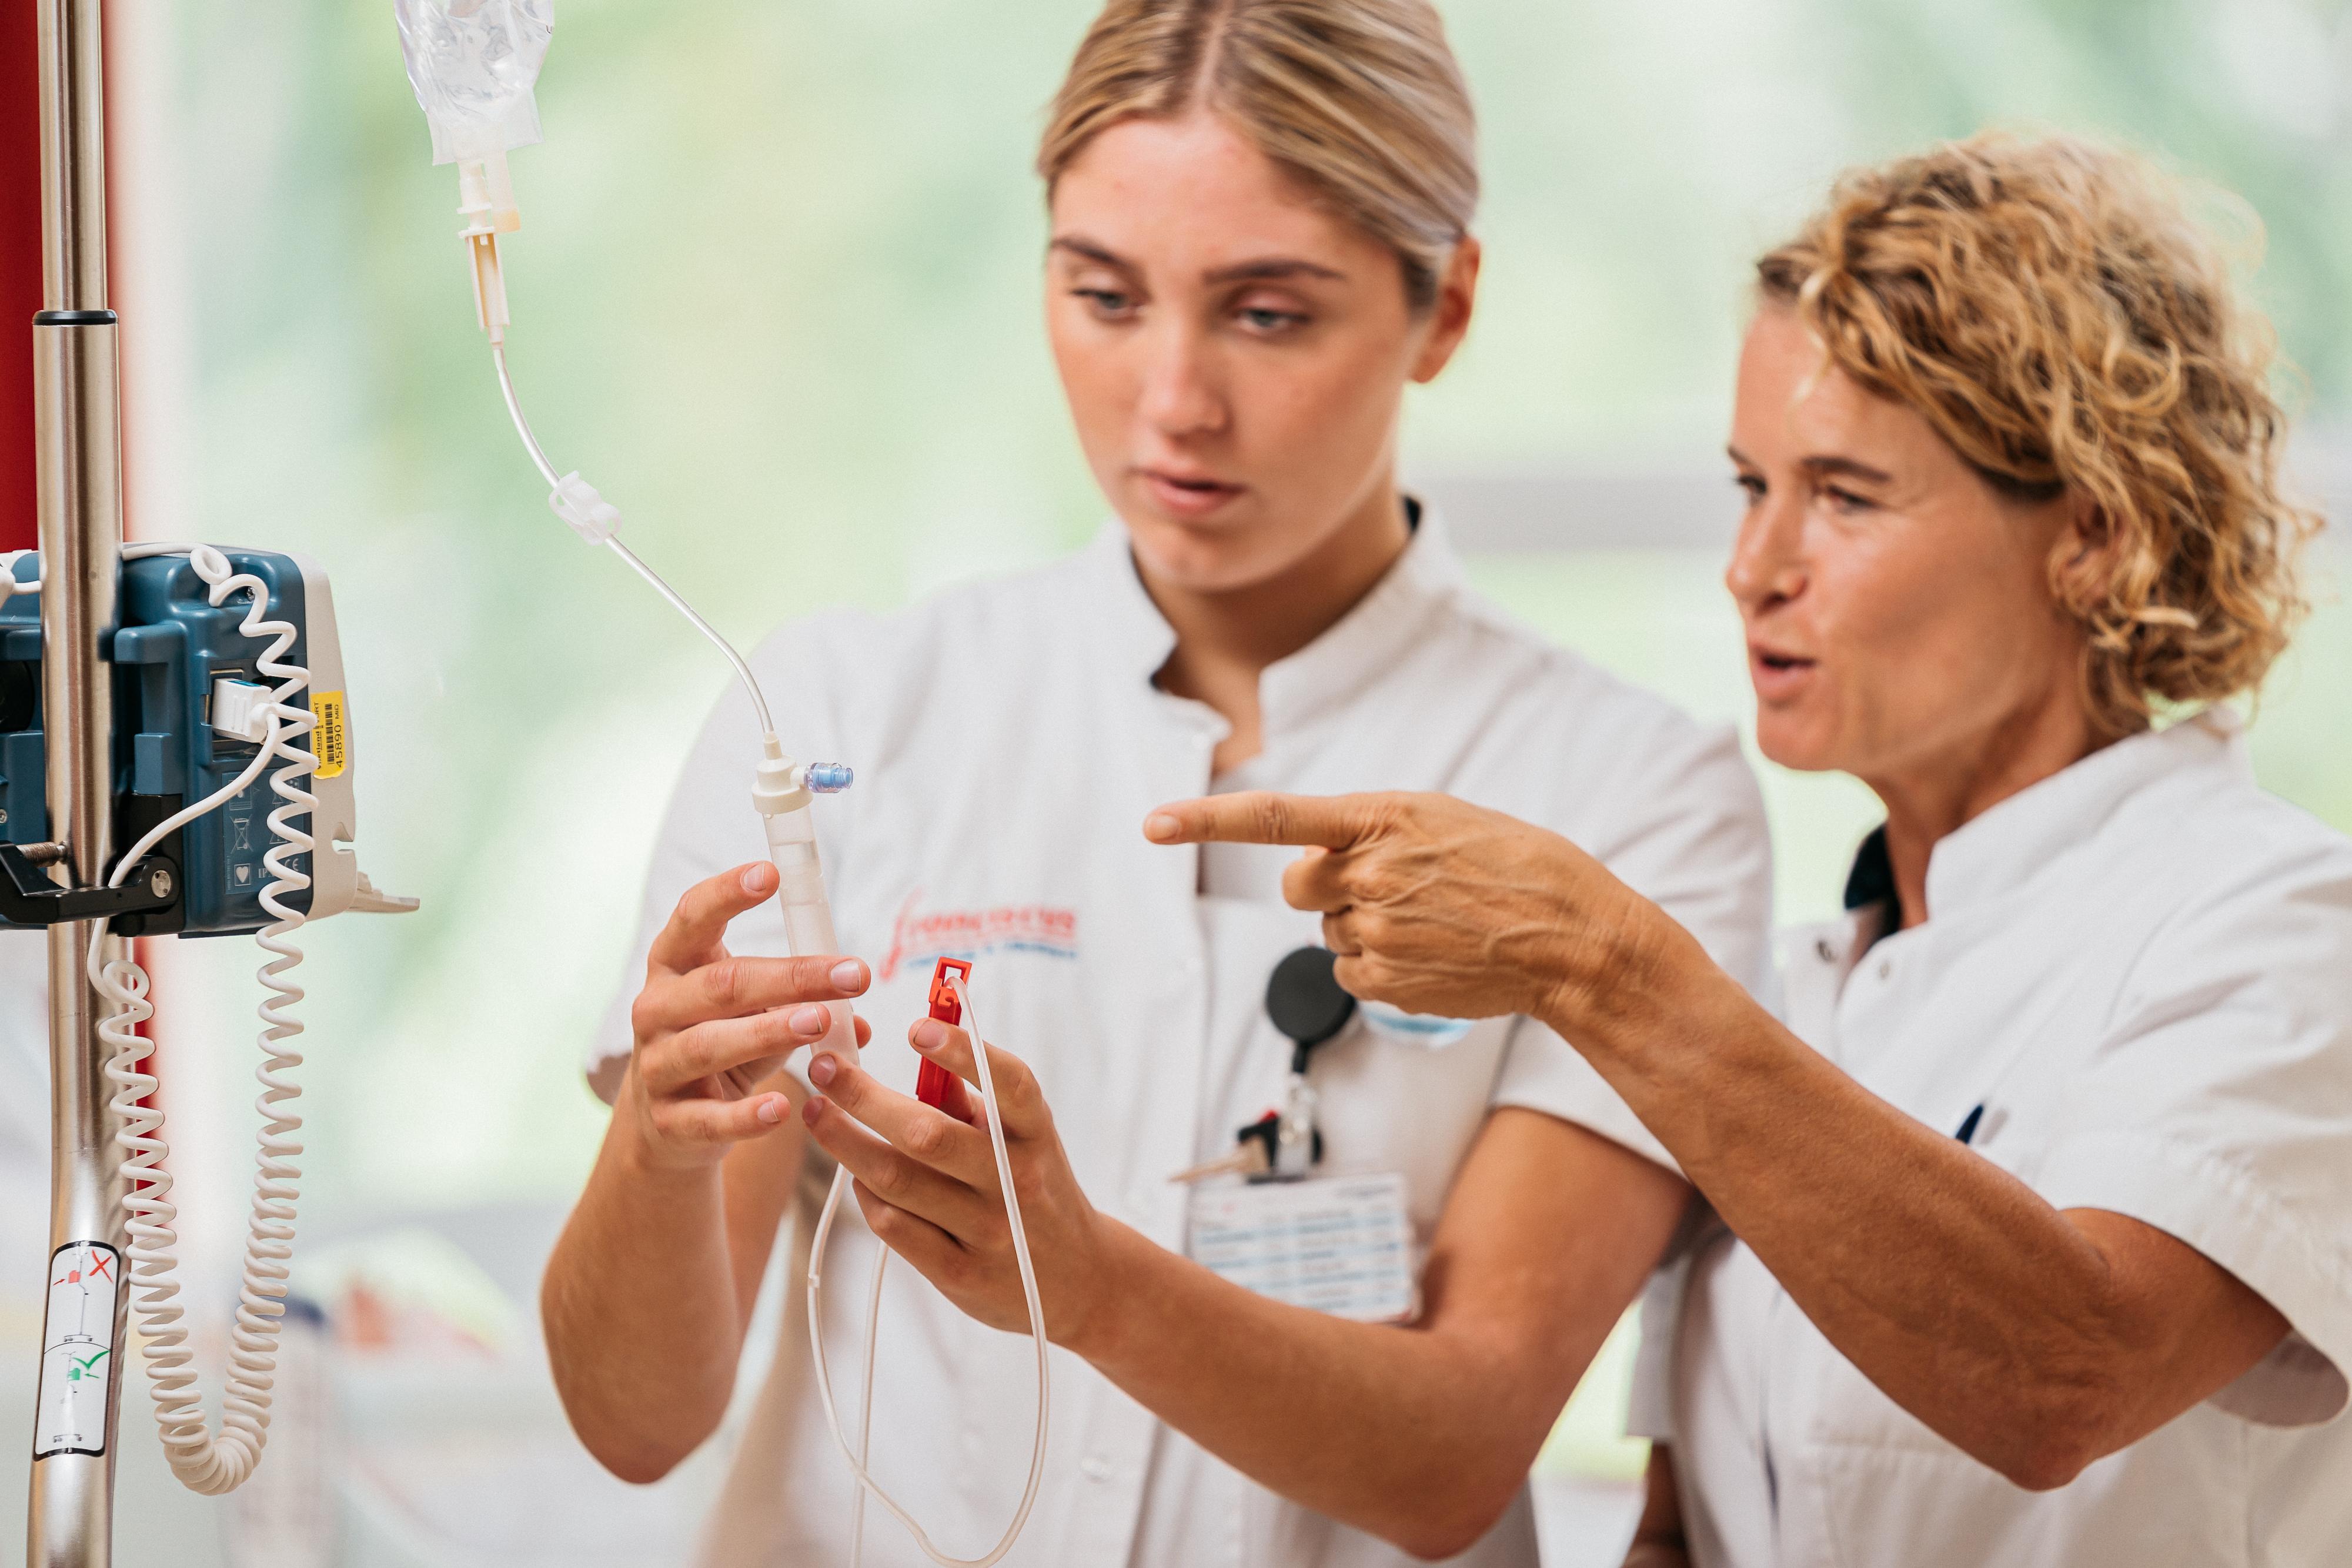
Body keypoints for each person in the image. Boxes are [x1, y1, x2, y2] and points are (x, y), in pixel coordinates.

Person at [541, 2, 1775, 1563]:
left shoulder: (1629, 796)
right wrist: (654, 1147)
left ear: (1444, 305)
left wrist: (1089, 1282)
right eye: (1105, 295)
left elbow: (1455, 1448)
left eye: (1268, 314)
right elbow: (634, 1420)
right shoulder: (837, 716)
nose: (1173, 398)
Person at [1148, 132, 2352, 1567]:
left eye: (1843, 496)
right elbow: (1678, 1524)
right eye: (1746, 485)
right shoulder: (1795, 995)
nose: (1752, 567)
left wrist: (1600, 960)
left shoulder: (2274, 923)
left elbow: (2063, 1375)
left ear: (2091, 536)